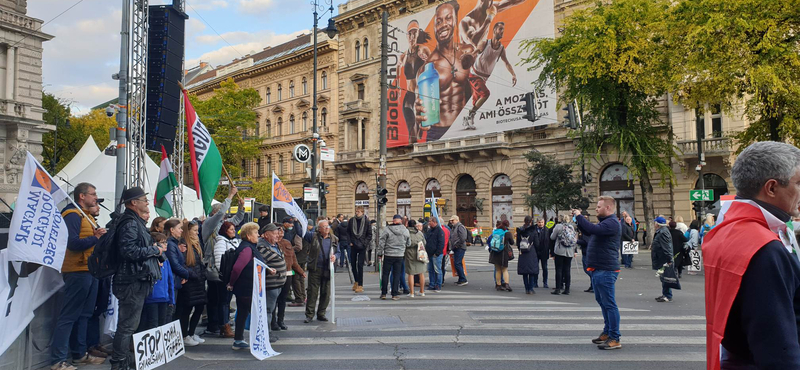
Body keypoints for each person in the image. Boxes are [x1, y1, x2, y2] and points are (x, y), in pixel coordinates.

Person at [702, 141, 800, 368]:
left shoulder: (725, 230)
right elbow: (778, 346)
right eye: (798, 182)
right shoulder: (766, 247)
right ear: (772, 188)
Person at [50, 183, 107, 370]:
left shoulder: (86, 216)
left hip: (88, 269)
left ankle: (79, 354)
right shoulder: (72, 215)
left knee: (84, 314)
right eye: (93, 194)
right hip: (77, 270)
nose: (95, 197)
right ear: (81, 196)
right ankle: (58, 360)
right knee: (69, 316)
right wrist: (95, 238)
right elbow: (72, 243)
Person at [110, 187, 166, 370]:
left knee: (130, 325)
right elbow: (128, 251)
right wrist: (154, 250)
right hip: (130, 281)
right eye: (144, 200)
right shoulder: (130, 223)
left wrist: (155, 254)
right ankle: (119, 363)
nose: (147, 203)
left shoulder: (135, 222)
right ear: (134, 202)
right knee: (127, 326)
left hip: (136, 279)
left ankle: (125, 360)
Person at [412, 1, 473, 141]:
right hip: (438, 132)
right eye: (438, 21)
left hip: (466, 127)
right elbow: (418, 106)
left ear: (456, 20)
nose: (443, 25)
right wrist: (419, 114)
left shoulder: (468, 51)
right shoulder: (426, 68)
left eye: (448, 18)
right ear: (434, 26)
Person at [573, 196, 622, 350]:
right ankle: (607, 333)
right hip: (599, 269)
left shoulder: (612, 223)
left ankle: (615, 337)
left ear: (608, 208)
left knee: (609, 304)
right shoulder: (605, 223)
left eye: (599, 206)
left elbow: (593, 229)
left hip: (606, 269)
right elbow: (589, 230)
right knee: (603, 303)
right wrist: (579, 221)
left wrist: (579, 216)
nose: (596, 209)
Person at [463, 21, 517, 130]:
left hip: (484, 78)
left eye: (503, 29)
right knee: (486, 94)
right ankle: (470, 115)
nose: (502, 32)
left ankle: (468, 118)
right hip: (475, 75)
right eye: (500, 29)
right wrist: (468, 56)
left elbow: (506, 62)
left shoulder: (501, 49)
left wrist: (513, 74)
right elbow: (475, 52)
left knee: (476, 101)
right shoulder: (485, 43)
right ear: (494, 30)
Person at [227, 222, 272, 351]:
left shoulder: (249, 247)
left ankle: (239, 339)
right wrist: (231, 283)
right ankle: (257, 339)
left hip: (246, 286)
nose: (258, 235)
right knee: (253, 312)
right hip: (246, 287)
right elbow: (237, 268)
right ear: (248, 235)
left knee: (242, 313)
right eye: (255, 233)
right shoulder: (247, 249)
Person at [177, 221, 207, 346]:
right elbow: (182, 263)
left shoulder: (197, 244)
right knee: (187, 309)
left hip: (198, 280)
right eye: (194, 230)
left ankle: (191, 332)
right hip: (190, 281)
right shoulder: (184, 244)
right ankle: (185, 335)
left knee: (200, 307)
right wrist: (192, 275)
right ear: (187, 231)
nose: (197, 233)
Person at [256, 223, 287, 343]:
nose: (277, 235)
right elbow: (262, 263)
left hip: (278, 283)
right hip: (271, 284)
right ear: (267, 234)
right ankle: (266, 334)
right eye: (274, 233)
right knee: (268, 310)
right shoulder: (262, 246)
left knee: (271, 309)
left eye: (277, 233)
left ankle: (268, 332)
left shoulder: (274, 245)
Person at [138, 232, 174, 331]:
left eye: (166, 242)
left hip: (164, 297)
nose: (166, 244)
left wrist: (171, 298)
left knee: (162, 323)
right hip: (151, 298)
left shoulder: (165, 259)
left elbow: (170, 280)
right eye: (162, 243)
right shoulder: (149, 259)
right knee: (152, 323)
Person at [209, 221, 238, 338]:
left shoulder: (234, 241)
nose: (233, 231)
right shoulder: (221, 242)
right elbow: (219, 261)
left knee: (226, 301)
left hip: (230, 277)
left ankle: (225, 324)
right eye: (231, 229)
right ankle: (224, 325)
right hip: (223, 278)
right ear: (225, 231)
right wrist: (226, 276)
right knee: (224, 302)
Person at [305, 219, 338, 322]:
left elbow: (338, 251)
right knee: (312, 292)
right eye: (324, 226)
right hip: (315, 268)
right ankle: (309, 315)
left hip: (327, 269)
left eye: (327, 226)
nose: (327, 228)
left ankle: (321, 313)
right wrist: (297, 221)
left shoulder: (334, 239)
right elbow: (301, 232)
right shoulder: (313, 236)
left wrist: (335, 256)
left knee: (326, 293)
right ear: (319, 229)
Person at [274, 225, 305, 331]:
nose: (281, 232)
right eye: (278, 230)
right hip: (275, 276)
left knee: (282, 300)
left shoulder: (287, 243)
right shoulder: (270, 244)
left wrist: (301, 272)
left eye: (282, 230)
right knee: (274, 299)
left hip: (287, 274)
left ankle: (280, 320)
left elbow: (293, 260)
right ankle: (273, 321)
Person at [379, 215, 410, 300]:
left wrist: (380, 253)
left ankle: (383, 293)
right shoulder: (405, 230)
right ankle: (394, 294)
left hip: (388, 254)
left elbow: (382, 242)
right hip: (399, 255)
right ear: (400, 221)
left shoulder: (387, 229)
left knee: (385, 274)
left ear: (393, 221)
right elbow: (408, 243)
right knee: (397, 274)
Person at [164, 219, 189, 323]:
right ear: (172, 230)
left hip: (176, 280)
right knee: (169, 312)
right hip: (172, 281)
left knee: (172, 312)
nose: (181, 231)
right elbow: (174, 264)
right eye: (179, 228)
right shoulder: (170, 244)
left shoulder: (174, 244)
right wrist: (186, 274)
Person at [551, 215, 577, 295]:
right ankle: (567, 289)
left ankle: (558, 288)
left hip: (559, 250)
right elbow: (574, 239)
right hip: (569, 251)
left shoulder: (558, 226)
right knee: (567, 269)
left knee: (558, 269)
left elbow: (552, 237)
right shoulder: (572, 227)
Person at [348, 207, 372, 293]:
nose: (357, 213)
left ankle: (360, 285)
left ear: (362, 212)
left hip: (362, 245)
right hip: (353, 245)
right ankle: (356, 281)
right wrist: (350, 241)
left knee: (360, 265)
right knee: (353, 264)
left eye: (358, 212)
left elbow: (369, 234)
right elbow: (348, 232)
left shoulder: (366, 221)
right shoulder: (351, 220)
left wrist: (364, 243)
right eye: (356, 211)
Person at [651, 217, 674, 302]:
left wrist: (669, 260)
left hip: (663, 259)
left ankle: (667, 295)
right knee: (663, 277)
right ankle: (665, 294)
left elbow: (667, 247)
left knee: (665, 277)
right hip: (662, 258)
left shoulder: (663, 232)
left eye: (655, 223)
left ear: (657, 224)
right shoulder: (661, 231)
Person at [489, 220, 515, 292]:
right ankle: (506, 284)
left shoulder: (495, 231)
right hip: (503, 253)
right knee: (504, 270)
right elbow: (512, 242)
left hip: (495, 252)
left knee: (498, 270)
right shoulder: (507, 233)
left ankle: (498, 285)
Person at [404, 220, 427, 297]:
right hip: (420, 253)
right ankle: (422, 291)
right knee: (421, 273)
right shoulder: (420, 233)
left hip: (409, 254)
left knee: (411, 274)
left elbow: (405, 243)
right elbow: (424, 243)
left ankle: (411, 293)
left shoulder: (406, 233)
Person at [516, 216, 538, 294]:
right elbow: (537, 243)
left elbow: (518, 243)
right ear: (531, 221)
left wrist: (521, 249)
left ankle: (526, 288)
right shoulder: (533, 231)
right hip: (531, 252)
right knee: (531, 271)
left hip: (522, 252)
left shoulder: (520, 230)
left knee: (524, 272)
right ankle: (531, 288)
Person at [425, 217, 445, 292]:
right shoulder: (430, 230)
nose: (429, 223)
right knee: (431, 270)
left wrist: (437, 253)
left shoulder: (439, 231)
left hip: (436, 254)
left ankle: (438, 285)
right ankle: (432, 284)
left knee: (437, 270)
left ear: (435, 222)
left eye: (430, 221)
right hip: (429, 253)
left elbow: (441, 243)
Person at [448, 215, 469, 286]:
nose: (451, 222)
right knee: (457, 263)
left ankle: (463, 279)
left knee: (457, 263)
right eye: (451, 220)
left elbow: (463, 238)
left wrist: (457, 245)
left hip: (460, 247)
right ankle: (461, 279)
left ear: (457, 220)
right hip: (456, 247)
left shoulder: (460, 227)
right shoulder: (454, 227)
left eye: (452, 220)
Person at [531, 219, 550, 288]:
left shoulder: (547, 230)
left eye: (542, 222)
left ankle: (545, 282)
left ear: (544, 222)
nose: (541, 224)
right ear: (537, 222)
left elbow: (549, 241)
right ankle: (535, 282)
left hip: (544, 251)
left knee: (545, 267)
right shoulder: (533, 229)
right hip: (535, 251)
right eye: (539, 222)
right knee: (536, 267)